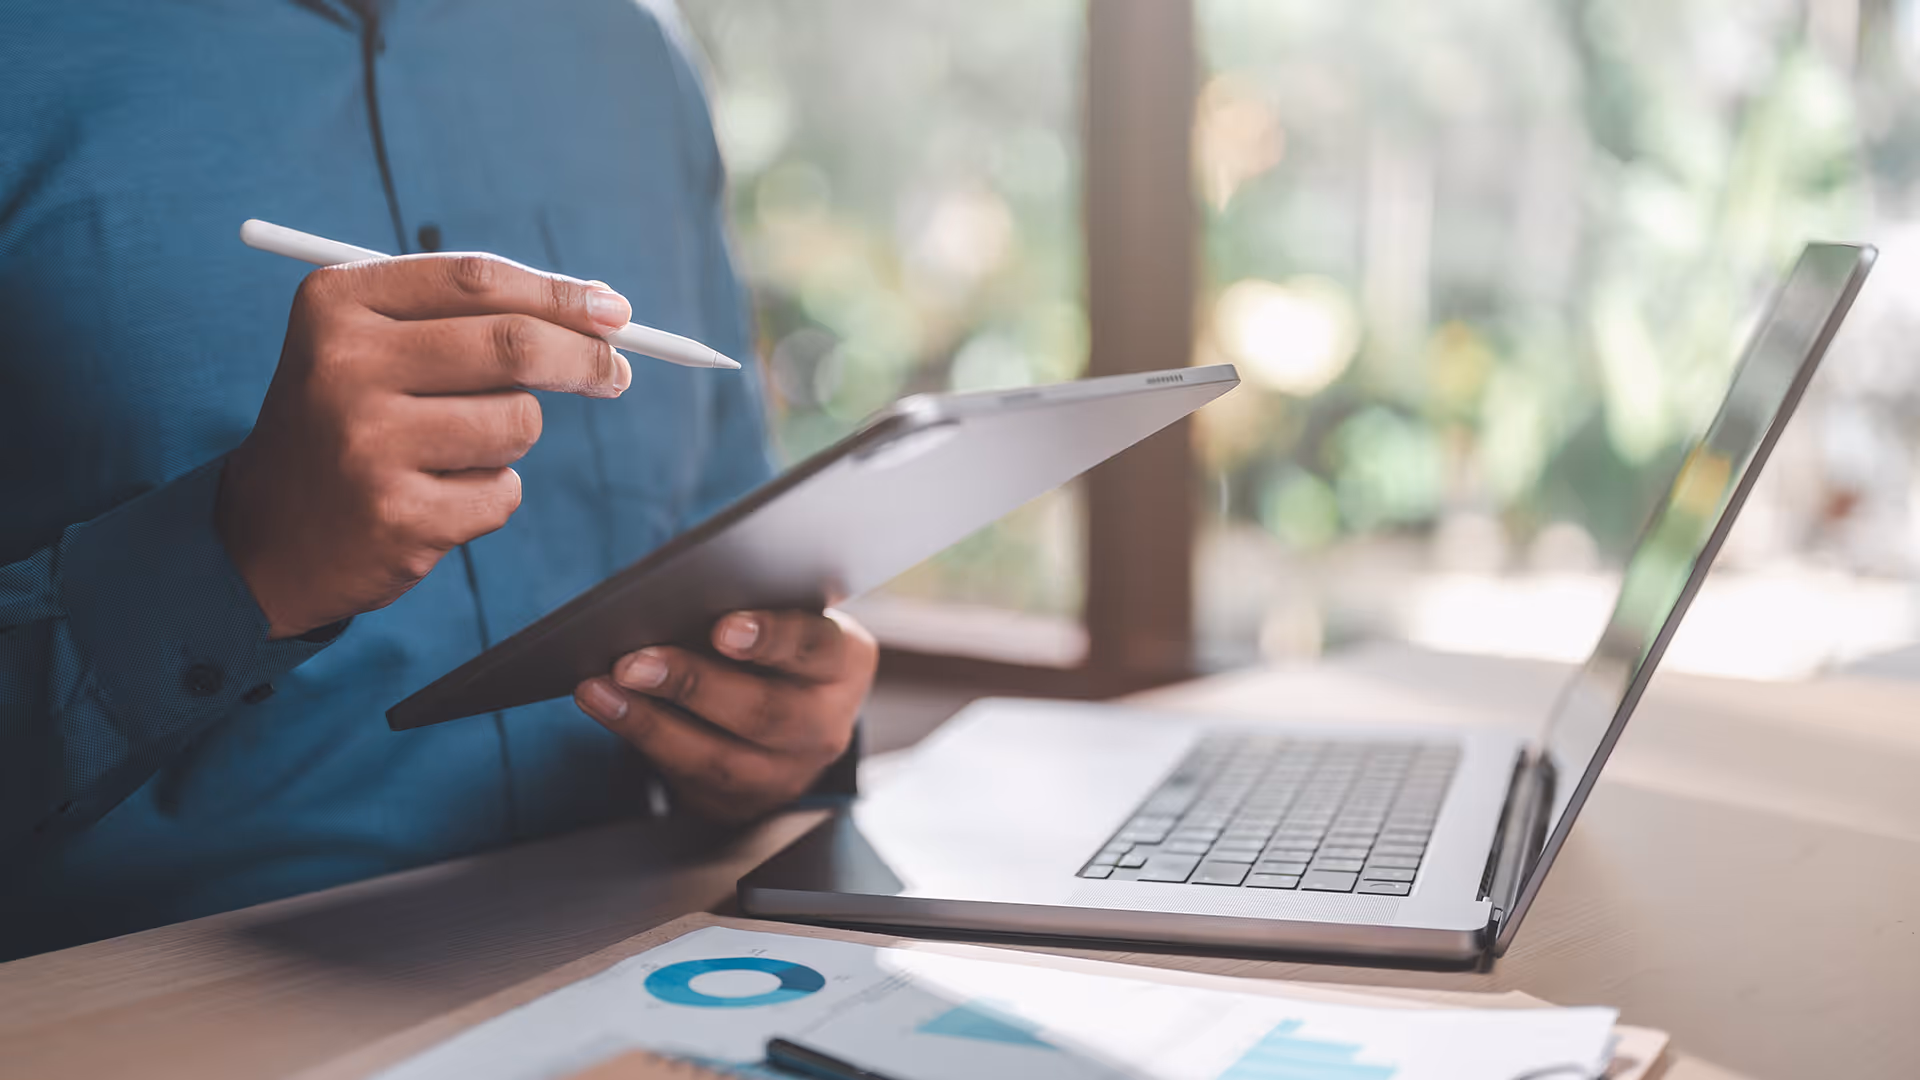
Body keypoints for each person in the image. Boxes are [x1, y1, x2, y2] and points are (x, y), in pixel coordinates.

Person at [0, 0, 874, 960]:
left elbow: (743, 582)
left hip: (654, 961)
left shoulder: (632, 49)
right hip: (163, 1004)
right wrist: (238, 563)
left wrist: (767, 734)